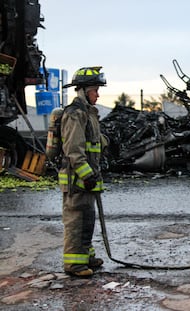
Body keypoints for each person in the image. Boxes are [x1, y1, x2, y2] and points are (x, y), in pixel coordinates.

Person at [59, 66, 107, 276]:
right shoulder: (75, 114)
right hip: (76, 178)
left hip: (87, 177)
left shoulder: (89, 113)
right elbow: (73, 149)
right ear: (84, 91)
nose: (98, 94)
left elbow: (93, 142)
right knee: (76, 220)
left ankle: (85, 257)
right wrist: (86, 174)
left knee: (87, 218)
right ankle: (74, 264)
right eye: (95, 90)